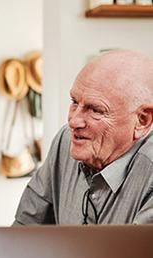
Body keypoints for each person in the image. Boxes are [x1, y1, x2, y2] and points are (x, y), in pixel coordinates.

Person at [14, 50, 153, 225]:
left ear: (142, 120)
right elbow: (24, 231)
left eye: (95, 110)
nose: (74, 121)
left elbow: (137, 253)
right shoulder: (66, 141)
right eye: (74, 102)